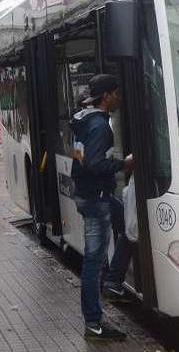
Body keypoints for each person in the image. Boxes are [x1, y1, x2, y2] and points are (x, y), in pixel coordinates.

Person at [69, 74, 134, 341]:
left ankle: (114, 281)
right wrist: (123, 163)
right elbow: (93, 164)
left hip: (91, 195)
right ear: (106, 96)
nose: (119, 98)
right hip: (96, 199)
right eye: (116, 93)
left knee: (129, 225)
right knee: (93, 262)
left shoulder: (83, 120)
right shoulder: (100, 127)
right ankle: (94, 324)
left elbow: (80, 158)